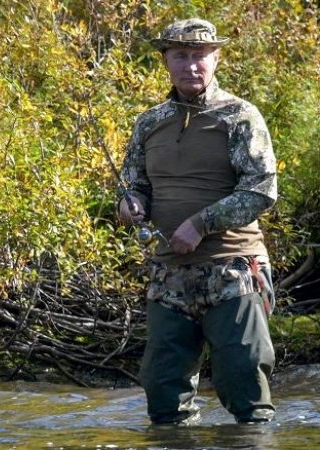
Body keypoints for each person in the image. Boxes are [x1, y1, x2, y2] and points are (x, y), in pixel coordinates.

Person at [118, 18, 278, 425]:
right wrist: (130, 204)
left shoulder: (240, 116)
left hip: (233, 270)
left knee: (245, 385)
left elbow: (260, 190)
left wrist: (201, 224)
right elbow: (134, 185)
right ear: (166, 61)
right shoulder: (149, 122)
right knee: (163, 391)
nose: (191, 65)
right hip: (169, 274)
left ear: (216, 59)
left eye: (199, 56)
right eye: (181, 56)